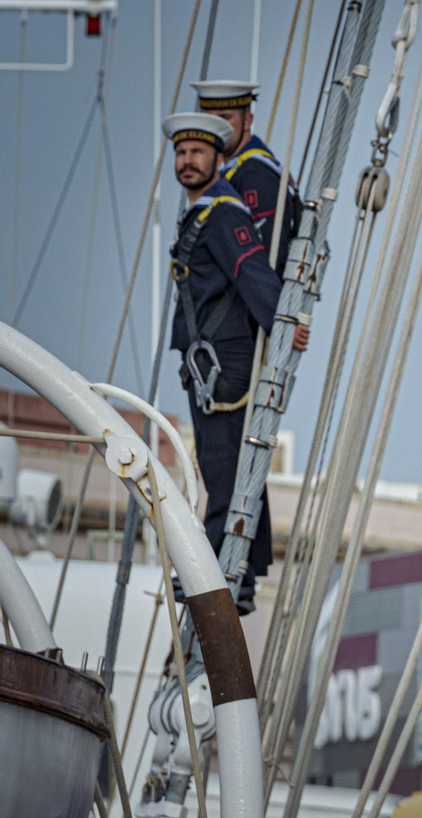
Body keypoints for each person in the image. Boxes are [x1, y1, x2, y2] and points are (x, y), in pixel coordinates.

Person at [163, 111, 308, 611]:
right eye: (181, 153)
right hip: (211, 359)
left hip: (224, 360)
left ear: (217, 159)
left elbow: (252, 272)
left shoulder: (222, 214)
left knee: (221, 465)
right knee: (227, 462)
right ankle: (242, 573)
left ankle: (218, 571)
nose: (187, 161)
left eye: (197, 153)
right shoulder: (203, 211)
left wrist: (284, 326)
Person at [192, 80, 302, 272]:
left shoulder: (255, 175)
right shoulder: (234, 171)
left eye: (225, 118)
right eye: (209, 120)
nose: (217, 128)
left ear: (248, 121)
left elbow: (266, 263)